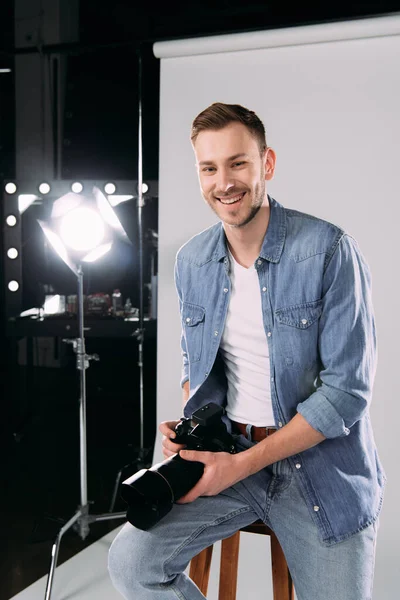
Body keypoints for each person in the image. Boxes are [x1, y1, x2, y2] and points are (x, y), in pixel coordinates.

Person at [108, 103, 386, 599]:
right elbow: (198, 363)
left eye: (238, 163)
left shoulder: (327, 250)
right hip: (227, 455)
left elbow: (347, 392)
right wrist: (189, 418)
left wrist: (246, 462)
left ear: (267, 164)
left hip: (319, 471)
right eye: (209, 168)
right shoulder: (192, 259)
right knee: (132, 563)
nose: (224, 182)